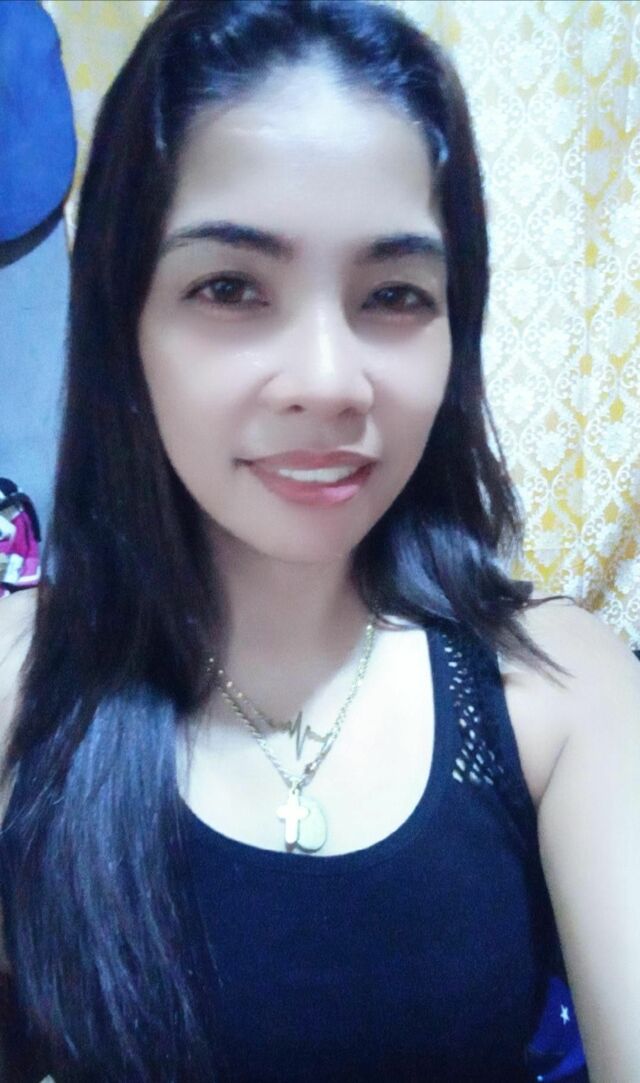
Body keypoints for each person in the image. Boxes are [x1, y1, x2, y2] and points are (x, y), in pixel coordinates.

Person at [0, 1, 638, 1080]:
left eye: (394, 294)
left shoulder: (558, 686)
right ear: (123, 321)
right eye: (231, 287)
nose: (330, 381)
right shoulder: (21, 680)